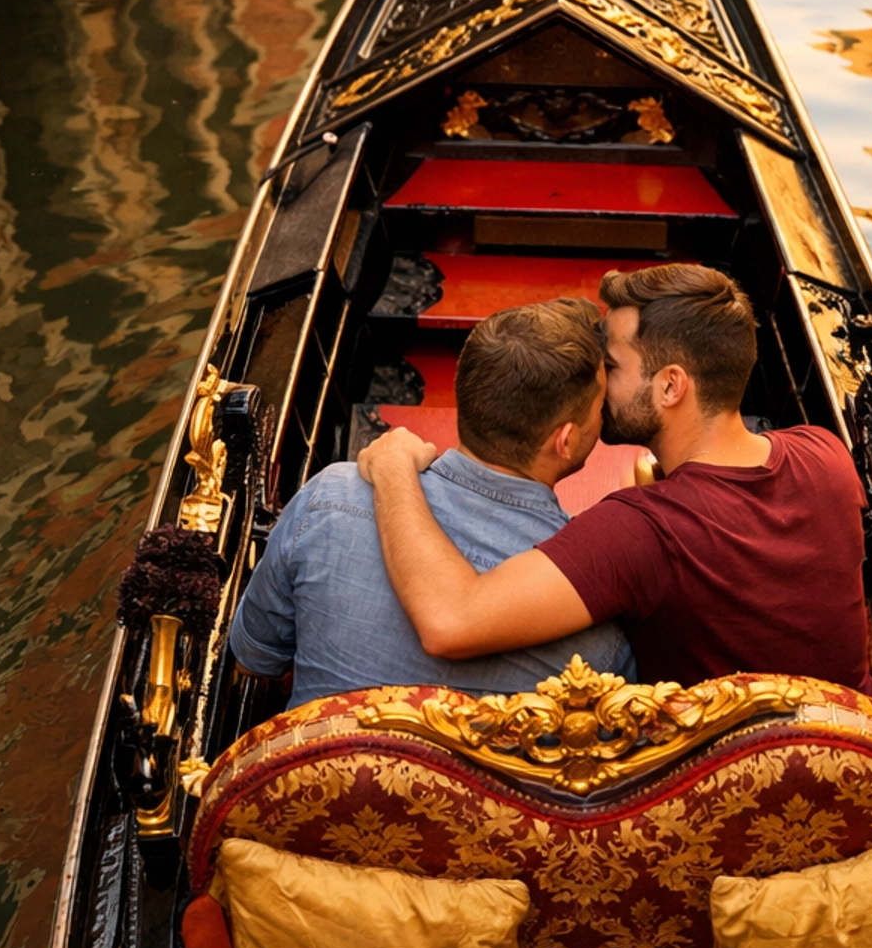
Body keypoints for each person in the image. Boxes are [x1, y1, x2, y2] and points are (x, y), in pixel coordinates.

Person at [359, 262, 872, 691]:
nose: (599, 381)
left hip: (726, 778)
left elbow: (451, 621)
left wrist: (393, 469)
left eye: (612, 365)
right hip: (863, 747)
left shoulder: (638, 533)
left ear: (671, 386)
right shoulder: (825, 454)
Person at [227, 297, 634, 703]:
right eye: (599, 407)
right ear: (565, 441)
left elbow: (252, 661)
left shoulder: (329, 496)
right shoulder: (596, 624)